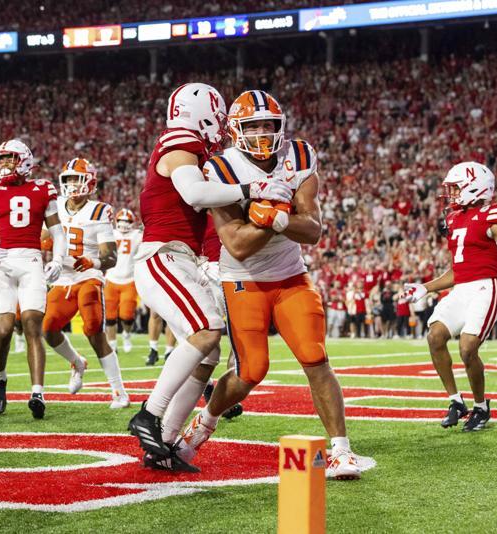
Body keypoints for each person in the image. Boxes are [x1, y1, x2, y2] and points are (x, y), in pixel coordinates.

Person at [177, 90, 361, 479]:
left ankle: (342, 450)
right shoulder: (221, 169)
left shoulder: (299, 156)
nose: (262, 132)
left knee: (316, 357)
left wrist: (275, 219)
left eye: (269, 125)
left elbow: (312, 229)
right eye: (253, 125)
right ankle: (203, 425)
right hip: (244, 280)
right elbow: (238, 245)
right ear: (235, 130)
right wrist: (271, 214)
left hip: (292, 274)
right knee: (252, 370)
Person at [127, 83, 292, 471]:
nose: (220, 125)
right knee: (206, 330)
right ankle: (149, 415)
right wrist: (250, 188)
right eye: (218, 116)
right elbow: (194, 195)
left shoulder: (197, 150)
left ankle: (163, 443)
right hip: (163, 254)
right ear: (203, 111)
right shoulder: (181, 140)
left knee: (208, 354)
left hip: (183, 257)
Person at [401, 162, 497, 432]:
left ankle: (481, 407)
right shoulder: (455, 218)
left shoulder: (493, 215)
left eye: (457, 187)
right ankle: (455, 401)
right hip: (462, 288)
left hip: (486, 287)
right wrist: (425, 287)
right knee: (435, 336)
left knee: (468, 348)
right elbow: (458, 270)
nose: (452, 193)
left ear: (475, 187)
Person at [0, 139, 67, 419]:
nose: (3, 165)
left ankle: (37, 391)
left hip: (31, 261)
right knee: (3, 331)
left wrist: (58, 261)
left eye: (9, 159)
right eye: (0, 159)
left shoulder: (42, 188)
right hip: (2, 263)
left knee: (32, 326)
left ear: (25, 160)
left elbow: (58, 232)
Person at [41, 158, 129, 407]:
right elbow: (44, 238)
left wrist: (94, 263)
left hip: (88, 276)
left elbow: (110, 256)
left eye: (77, 178)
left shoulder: (99, 210)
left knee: (93, 328)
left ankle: (118, 391)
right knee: (48, 328)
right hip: (63, 277)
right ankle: (77, 362)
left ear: (89, 181)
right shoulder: (55, 205)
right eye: (68, 179)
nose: (71, 184)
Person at [105, 208, 142, 354]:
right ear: (116, 221)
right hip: (111, 279)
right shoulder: (110, 233)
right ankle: (112, 344)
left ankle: (126, 334)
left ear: (132, 223)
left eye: (127, 221)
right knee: (109, 316)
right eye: (121, 220)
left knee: (127, 315)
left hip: (129, 280)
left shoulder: (137, 235)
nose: (124, 224)